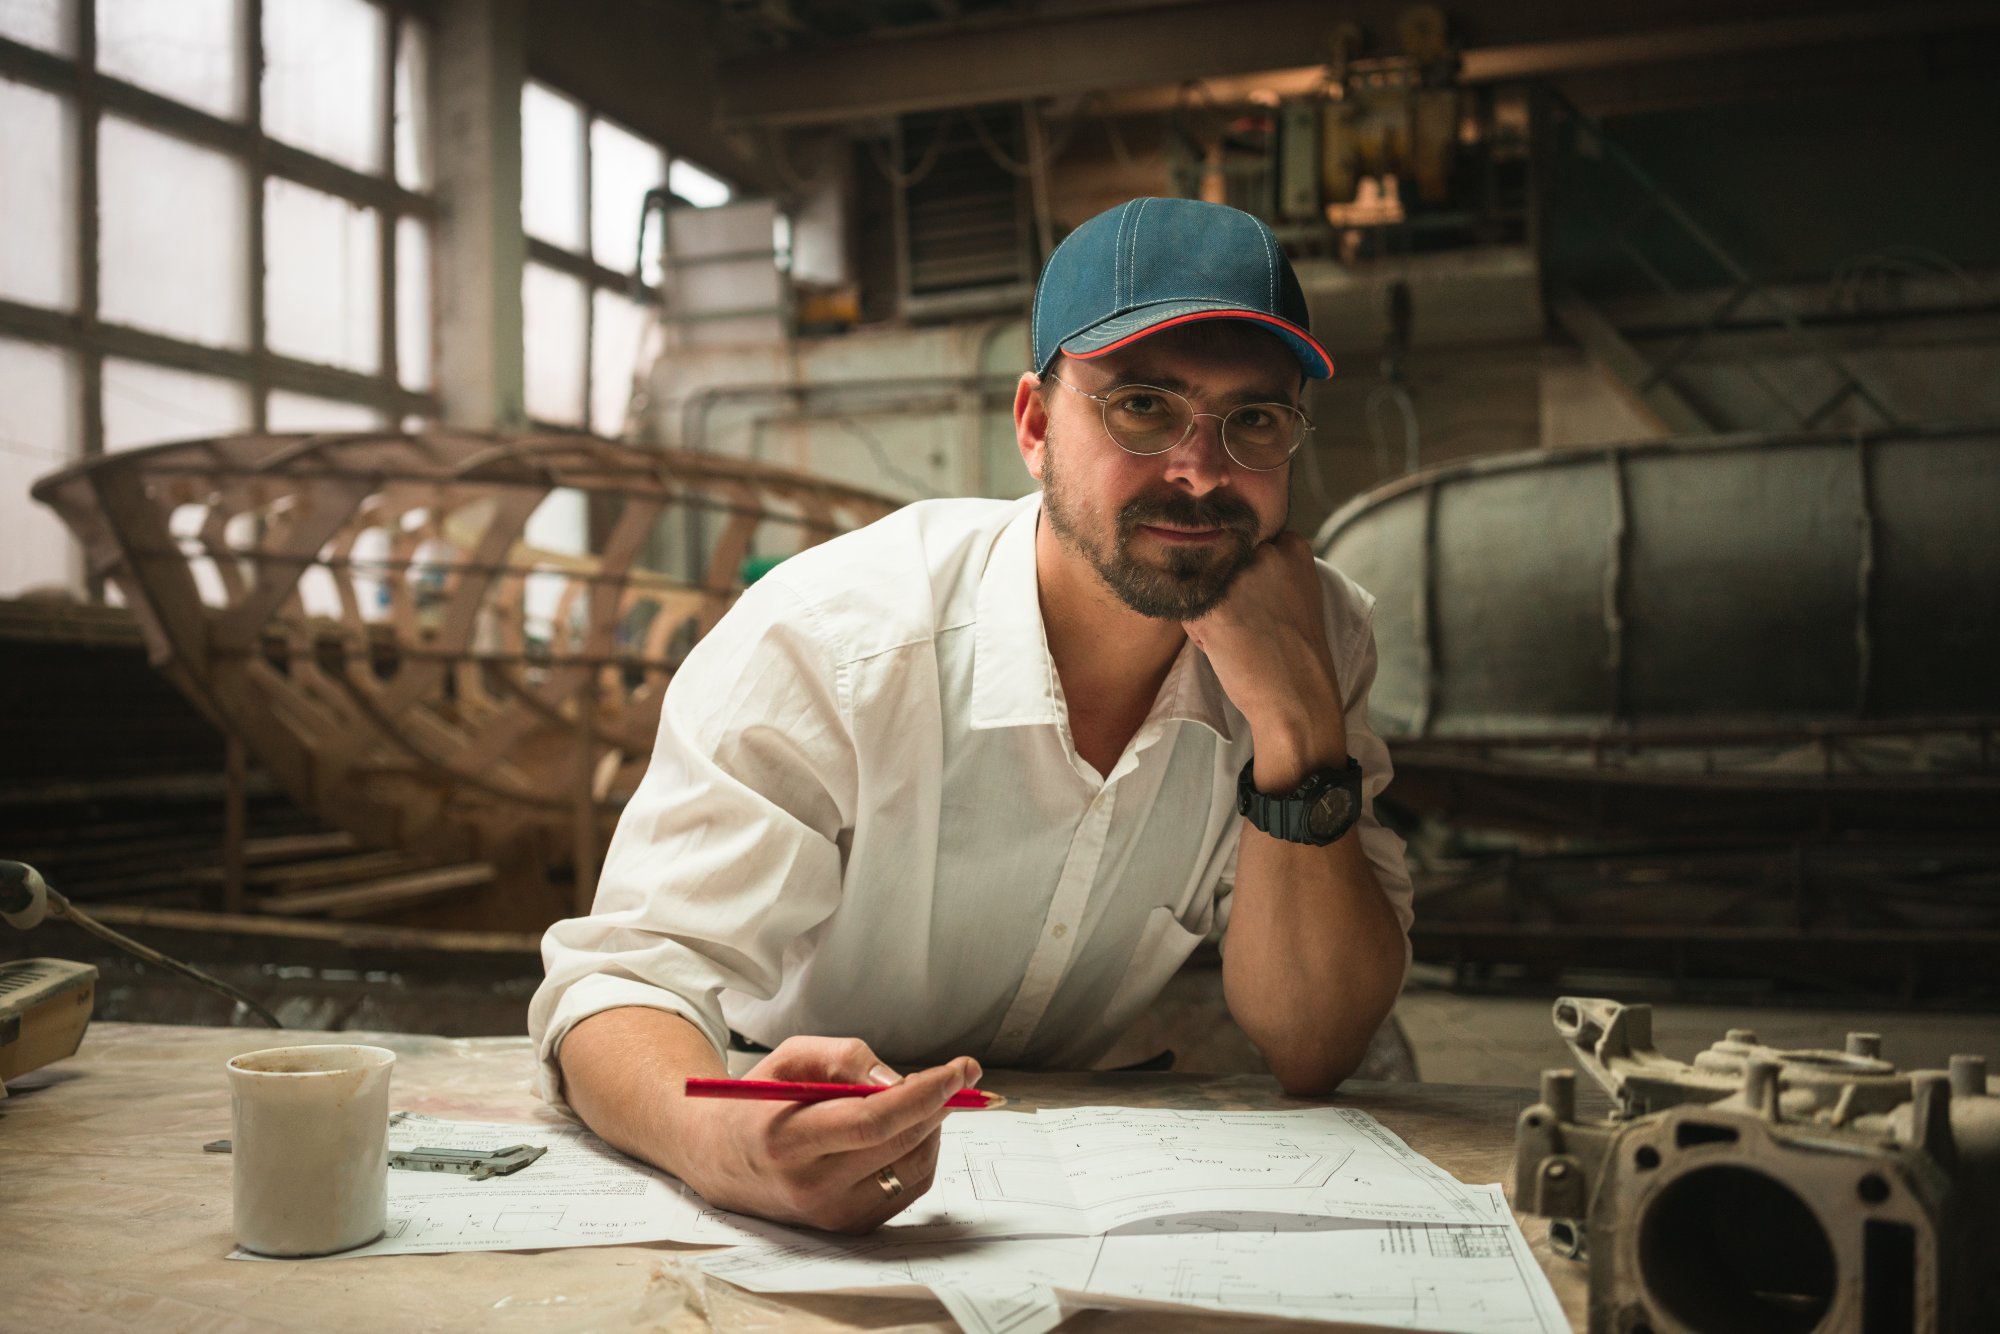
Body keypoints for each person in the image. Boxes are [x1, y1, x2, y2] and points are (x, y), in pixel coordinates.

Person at [528, 197, 1414, 1233]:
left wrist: (1296, 729)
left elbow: (1314, 1041)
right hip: (777, 1139)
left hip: (1072, 1176)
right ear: (1035, 425)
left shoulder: (1319, 635)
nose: (1200, 467)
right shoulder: (836, 638)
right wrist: (724, 1146)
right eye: (1141, 406)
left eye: (1252, 420)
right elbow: (620, 981)